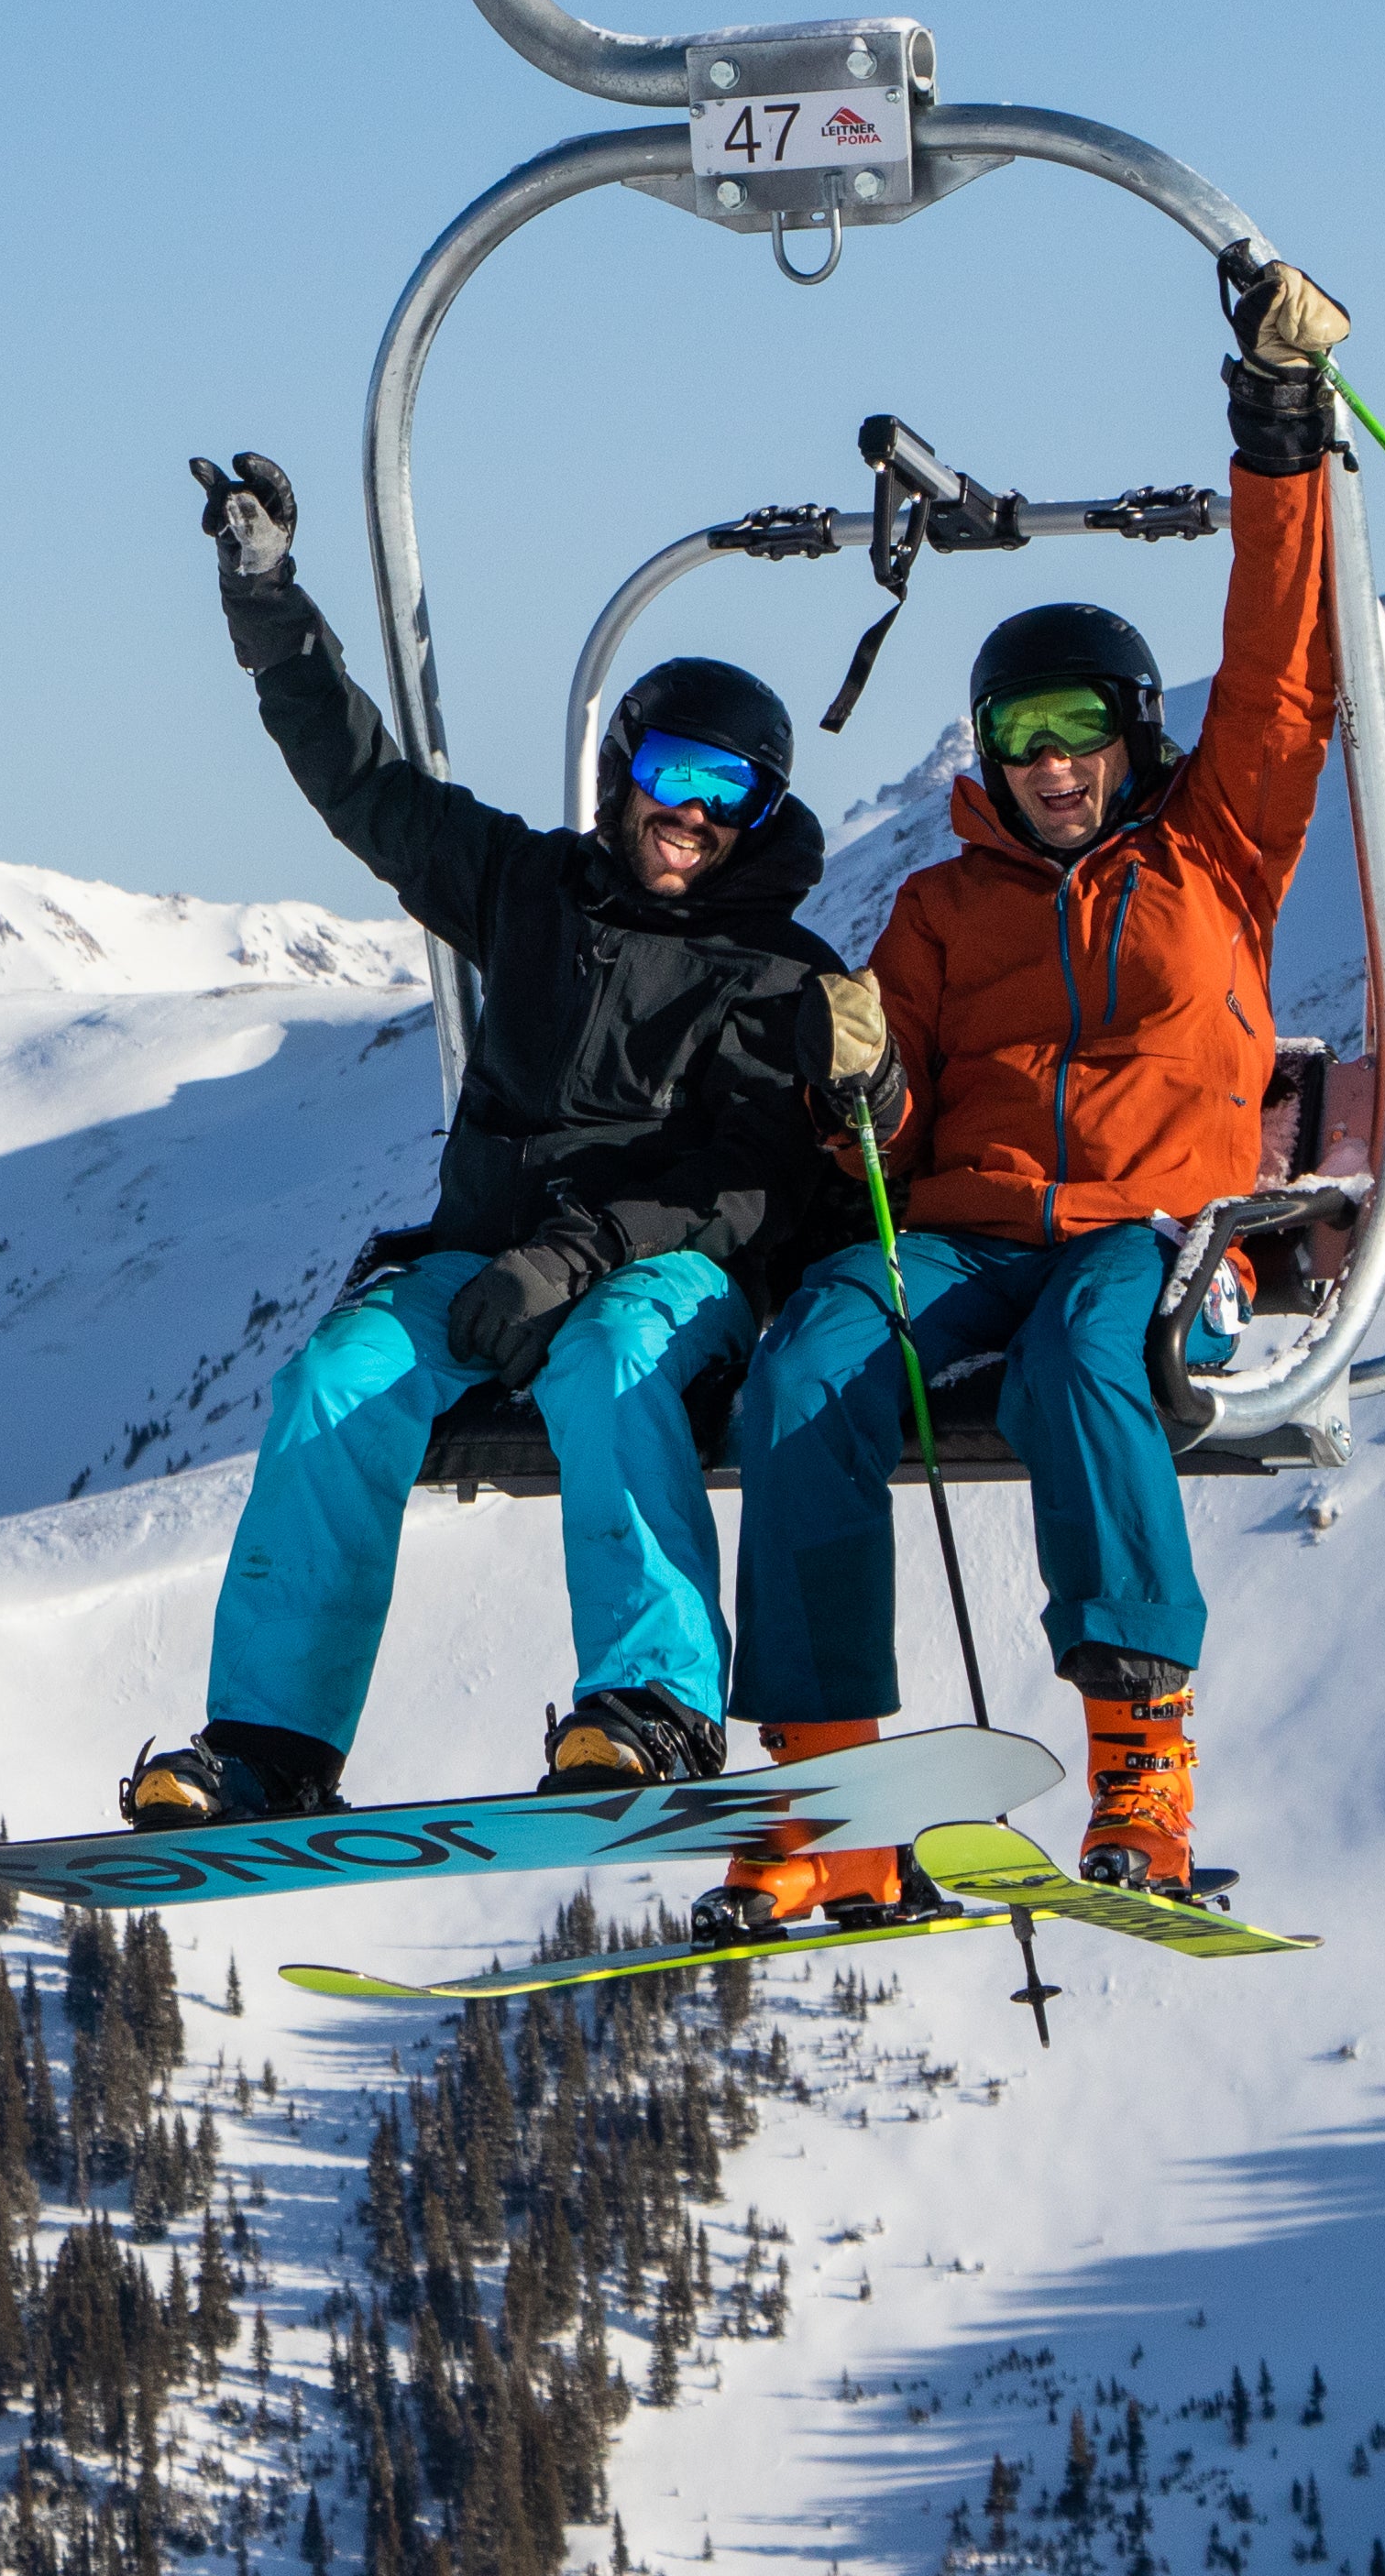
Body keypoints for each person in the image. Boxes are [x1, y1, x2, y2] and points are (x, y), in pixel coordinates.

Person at [698, 249, 1358, 1943]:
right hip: (971, 1231)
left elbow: (1283, 676)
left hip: (1156, 1223)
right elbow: (892, 1121)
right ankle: (830, 1806)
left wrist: (1279, 432)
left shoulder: (1216, 852)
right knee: (809, 1367)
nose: (1051, 763)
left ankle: (1141, 1770)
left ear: (1131, 732)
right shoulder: (938, 909)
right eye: (1017, 734)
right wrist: (860, 1098)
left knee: (1083, 1363)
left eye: (1077, 727)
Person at [119, 446, 877, 1829]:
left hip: (665, 1275)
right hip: (484, 1262)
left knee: (611, 1356)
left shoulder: (781, 975)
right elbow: (367, 788)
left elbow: (746, 1185)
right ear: (624, 770)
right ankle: (272, 1744)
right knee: (337, 1378)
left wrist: (575, 1258)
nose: (692, 816)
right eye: (674, 772)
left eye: (732, 794)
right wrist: (268, 603)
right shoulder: (534, 892)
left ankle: (652, 1706)